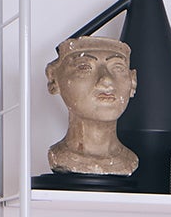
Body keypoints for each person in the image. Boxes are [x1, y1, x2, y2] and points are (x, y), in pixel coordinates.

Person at [44, 34, 137, 177]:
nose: (106, 80)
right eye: (84, 67)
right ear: (54, 79)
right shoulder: (59, 157)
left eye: (118, 68)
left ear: (133, 82)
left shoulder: (130, 161)